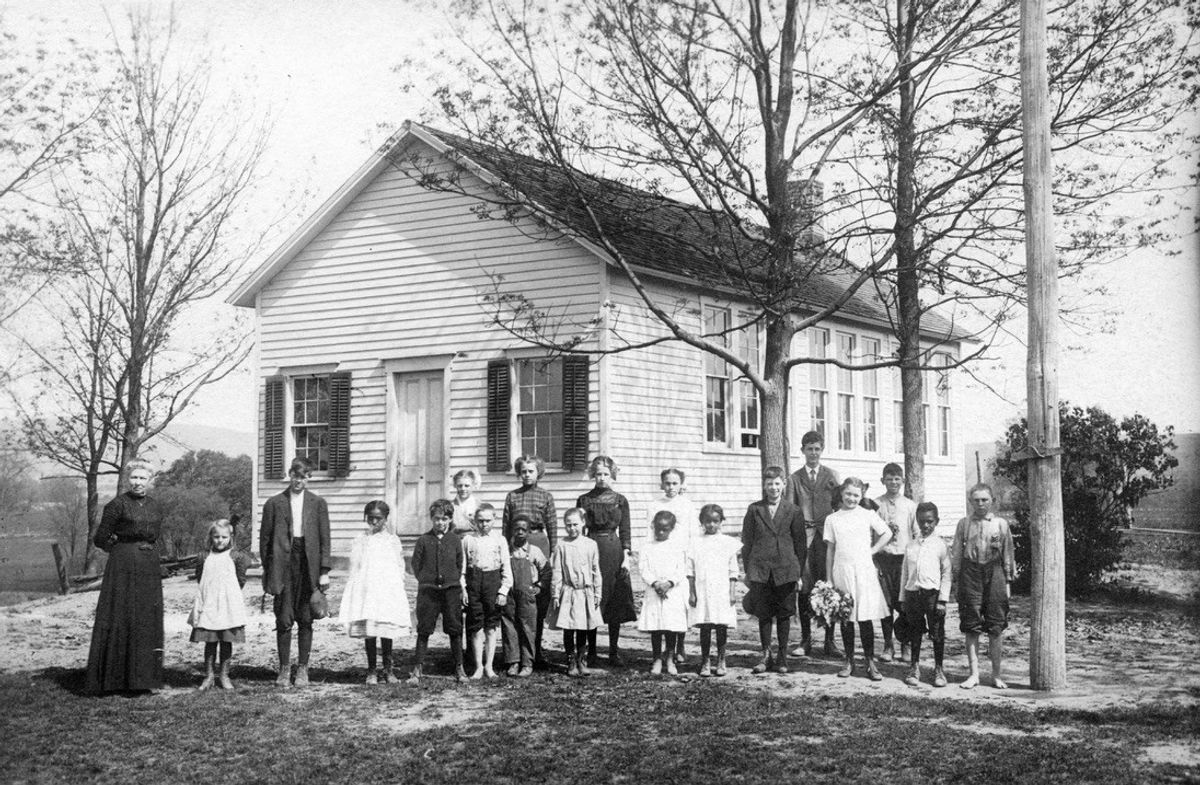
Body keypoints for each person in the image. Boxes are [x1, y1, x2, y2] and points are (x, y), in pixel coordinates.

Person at [85, 459, 166, 695]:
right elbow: (100, 539)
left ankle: (142, 679)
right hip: (123, 565)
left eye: (143, 478)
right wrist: (121, 550)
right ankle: (113, 679)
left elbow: (155, 535)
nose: (138, 482)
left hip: (149, 565)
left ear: (150, 481)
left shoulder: (155, 506)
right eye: (134, 477)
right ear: (127, 479)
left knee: (145, 618)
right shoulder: (117, 505)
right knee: (122, 615)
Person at [260, 457, 331, 688]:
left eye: (304, 476)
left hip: (308, 564)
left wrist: (324, 571)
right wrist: (270, 571)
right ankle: (283, 669)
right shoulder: (274, 503)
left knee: (306, 617)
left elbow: (324, 540)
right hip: (283, 564)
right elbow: (265, 541)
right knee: (283, 616)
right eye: (295, 475)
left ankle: (302, 668)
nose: (299, 480)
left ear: (310, 478)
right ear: (289, 474)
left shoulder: (318, 503)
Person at [741, 466, 807, 675]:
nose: (773, 488)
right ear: (764, 485)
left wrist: (798, 574)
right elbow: (747, 542)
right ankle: (765, 654)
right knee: (764, 614)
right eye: (769, 484)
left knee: (785, 614)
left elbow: (800, 545)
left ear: (784, 485)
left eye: (777, 483)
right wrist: (749, 572)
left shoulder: (793, 511)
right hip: (761, 570)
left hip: (786, 570)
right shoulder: (754, 510)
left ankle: (782, 656)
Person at [825, 477, 892, 680]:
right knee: (846, 617)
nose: (851, 498)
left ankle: (870, 662)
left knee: (864, 618)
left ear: (861, 495)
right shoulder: (833, 519)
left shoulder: (867, 514)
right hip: (842, 570)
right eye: (848, 494)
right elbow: (830, 550)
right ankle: (849, 660)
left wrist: (872, 550)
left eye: (856, 495)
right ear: (842, 494)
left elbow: (887, 533)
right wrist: (829, 579)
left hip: (863, 570)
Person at [339, 500, 411, 685]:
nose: (373, 522)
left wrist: (397, 586)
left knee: (386, 628)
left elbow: (399, 565)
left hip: (386, 590)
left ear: (385, 519)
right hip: (367, 590)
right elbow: (354, 566)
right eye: (370, 518)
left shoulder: (392, 540)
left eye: (378, 519)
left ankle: (388, 670)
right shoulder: (361, 539)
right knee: (370, 629)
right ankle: (371, 670)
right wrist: (355, 587)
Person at [951, 483, 1015, 690]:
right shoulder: (964, 524)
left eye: (984, 500)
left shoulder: (1001, 524)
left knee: (996, 625)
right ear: (970, 502)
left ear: (992, 501)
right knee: (971, 625)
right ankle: (974, 675)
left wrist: (1007, 583)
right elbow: (957, 555)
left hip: (995, 572)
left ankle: (996, 675)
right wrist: (957, 580)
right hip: (970, 573)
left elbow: (1008, 554)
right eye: (976, 500)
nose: (980, 504)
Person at [576, 455, 637, 667]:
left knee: (614, 598)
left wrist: (626, 558)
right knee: (592, 597)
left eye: (606, 474)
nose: (602, 478)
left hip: (613, 549)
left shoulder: (620, 500)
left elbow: (626, 530)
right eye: (599, 474)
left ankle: (613, 650)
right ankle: (590, 651)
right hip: (591, 546)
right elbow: (580, 529)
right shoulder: (584, 500)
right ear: (593, 475)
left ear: (612, 475)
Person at [788, 430, 841, 658]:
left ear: (822, 450)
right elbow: (790, 510)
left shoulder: (830, 475)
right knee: (805, 588)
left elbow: (839, 505)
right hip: (804, 539)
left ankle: (830, 640)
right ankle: (806, 639)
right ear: (802, 451)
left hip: (826, 537)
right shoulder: (794, 478)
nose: (813, 453)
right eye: (809, 449)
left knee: (829, 586)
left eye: (817, 449)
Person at [502, 455, 557, 665]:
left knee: (537, 599)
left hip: (538, 541)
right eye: (523, 471)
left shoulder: (546, 496)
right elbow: (507, 525)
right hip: (516, 544)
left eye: (531, 471)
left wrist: (552, 551)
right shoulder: (512, 496)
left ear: (538, 473)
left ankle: (536, 649)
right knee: (518, 596)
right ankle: (517, 653)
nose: (527, 475)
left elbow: (552, 526)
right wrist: (506, 549)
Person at [409, 498, 467, 683]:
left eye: (444, 519)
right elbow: (415, 565)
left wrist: (451, 581)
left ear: (450, 519)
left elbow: (459, 564)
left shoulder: (455, 540)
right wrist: (427, 580)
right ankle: (417, 668)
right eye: (436, 519)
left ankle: (459, 667)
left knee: (455, 628)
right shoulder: (424, 540)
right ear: (431, 519)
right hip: (429, 592)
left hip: (450, 591)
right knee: (424, 628)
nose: (440, 523)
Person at [188, 519, 251, 691]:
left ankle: (224, 675)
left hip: (228, 604)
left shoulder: (237, 557)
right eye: (216, 537)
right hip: (209, 603)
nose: (220, 540)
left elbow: (240, 580)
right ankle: (208, 676)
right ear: (211, 537)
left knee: (226, 640)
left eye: (224, 537)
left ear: (230, 537)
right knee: (210, 640)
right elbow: (200, 578)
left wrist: (228, 594)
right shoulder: (203, 556)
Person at [900, 501, 951, 687]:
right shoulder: (911, 545)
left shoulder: (940, 545)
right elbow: (905, 573)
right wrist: (902, 598)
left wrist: (942, 600)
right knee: (915, 631)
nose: (925, 525)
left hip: (933, 596)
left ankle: (938, 669)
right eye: (922, 521)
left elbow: (947, 574)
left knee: (937, 632)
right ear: (917, 521)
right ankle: (914, 667)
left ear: (936, 521)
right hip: (913, 594)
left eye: (929, 521)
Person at [548, 507, 604, 677]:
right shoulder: (561, 545)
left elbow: (596, 570)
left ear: (583, 523)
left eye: (575, 524)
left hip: (585, 592)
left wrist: (597, 592)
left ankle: (581, 660)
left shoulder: (591, 544)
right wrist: (555, 593)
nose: (572, 528)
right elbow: (557, 571)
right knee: (568, 628)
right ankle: (570, 661)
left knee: (583, 628)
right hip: (568, 592)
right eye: (568, 525)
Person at [649, 467, 696, 665]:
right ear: (662, 484)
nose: (671, 487)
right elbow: (649, 532)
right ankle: (662, 652)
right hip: (661, 556)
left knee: (680, 604)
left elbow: (692, 533)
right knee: (664, 606)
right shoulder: (654, 505)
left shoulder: (687, 505)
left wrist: (691, 557)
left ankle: (680, 645)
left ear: (681, 484)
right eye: (667, 483)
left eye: (675, 483)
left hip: (681, 557)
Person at [687, 503, 740, 677]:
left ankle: (721, 660)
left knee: (721, 625)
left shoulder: (728, 543)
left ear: (721, 522)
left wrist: (732, 592)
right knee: (705, 625)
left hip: (721, 590)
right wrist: (692, 592)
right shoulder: (695, 543)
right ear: (702, 522)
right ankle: (705, 661)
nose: (711, 525)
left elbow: (733, 571)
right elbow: (690, 571)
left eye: (715, 521)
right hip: (702, 589)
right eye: (707, 521)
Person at [463, 503, 512, 679]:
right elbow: (462, 568)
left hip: (493, 582)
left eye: (487, 521)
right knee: (476, 627)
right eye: (480, 521)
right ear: (475, 521)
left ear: (494, 520)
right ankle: (478, 667)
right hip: (474, 582)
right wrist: (464, 589)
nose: (484, 524)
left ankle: (489, 667)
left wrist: (503, 591)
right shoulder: (468, 540)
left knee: (491, 627)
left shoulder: (500, 540)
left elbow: (506, 567)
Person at [875, 463, 918, 663]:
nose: (893, 482)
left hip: (903, 560)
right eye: (889, 478)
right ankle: (887, 645)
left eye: (897, 479)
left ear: (903, 481)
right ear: (882, 480)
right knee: (885, 604)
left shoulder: (910, 506)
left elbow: (917, 535)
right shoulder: (876, 505)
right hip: (883, 560)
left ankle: (905, 645)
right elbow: (870, 534)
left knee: (904, 604)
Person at [637, 511, 689, 676]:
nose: (660, 533)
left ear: (671, 529)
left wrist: (669, 583)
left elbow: (681, 569)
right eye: (658, 529)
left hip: (672, 592)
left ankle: (670, 659)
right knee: (656, 627)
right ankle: (657, 659)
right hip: (654, 592)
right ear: (653, 527)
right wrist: (655, 583)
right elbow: (643, 569)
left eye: (664, 529)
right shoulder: (647, 547)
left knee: (670, 627)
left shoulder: (677, 548)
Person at [501, 516, 549, 677]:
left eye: (524, 529)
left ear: (529, 531)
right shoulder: (506, 550)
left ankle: (527, 663)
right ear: (512, 531)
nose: (520, 532)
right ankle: (513, 662)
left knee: (528, 627)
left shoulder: (534, 551)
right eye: (517, 529)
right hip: (509, 594)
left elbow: (547, 571)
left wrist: (539, 586)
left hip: (527, 595)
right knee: (510, 626)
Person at [451, 469, 480, 536]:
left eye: (467, 486)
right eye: (460, 485)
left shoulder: (479, 505)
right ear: (455, 485)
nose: (463, 489)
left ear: (473, 485)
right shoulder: (450, 506)